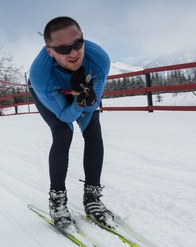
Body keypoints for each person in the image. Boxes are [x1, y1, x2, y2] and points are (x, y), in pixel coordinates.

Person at [29, 16, 114, 231]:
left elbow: (91, 107)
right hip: (52, 94)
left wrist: (84, 100)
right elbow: (65, 117)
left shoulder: (99, 61)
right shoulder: (41, 75)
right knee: (63, 133)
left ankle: (92, 197)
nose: (74, 52)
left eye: (78, 43)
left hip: (81, 93)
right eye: (64, 49)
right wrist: (77, 103)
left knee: (93, 129)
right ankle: (57, 201)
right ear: (50, 51)